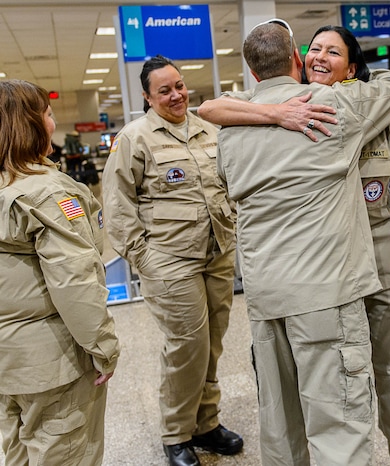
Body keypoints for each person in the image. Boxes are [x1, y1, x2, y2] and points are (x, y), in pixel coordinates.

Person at [199, 24, 390, 466]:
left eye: (334, 51)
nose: (321, 58)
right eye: (315, 50)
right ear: (297, 59)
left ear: (351, 65)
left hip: (364, 271)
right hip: (330, 284)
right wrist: (279, 112)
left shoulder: (236, 123)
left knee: (379, 372)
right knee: (339, 409)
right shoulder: (330, 107)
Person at [101, 55, 242, 466]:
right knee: (188, 346)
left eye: (179, 86)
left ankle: (207, 424)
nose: (177, 95)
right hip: (169, 262)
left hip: (216, 253)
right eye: (164, 90)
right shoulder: (135, 138)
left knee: (213, 343)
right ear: (147, 97)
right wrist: (144, 259)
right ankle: (176, 433)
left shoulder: (209, 129)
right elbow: (117, 205)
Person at [0, 79, 120, 464]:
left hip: (8, 362)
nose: (53, 122)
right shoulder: (48, 194)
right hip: (52, 364)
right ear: (32, 125)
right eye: (48, 114)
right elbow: (75, 282)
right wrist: (103, 349)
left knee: (17, 449)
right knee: (65, 452)